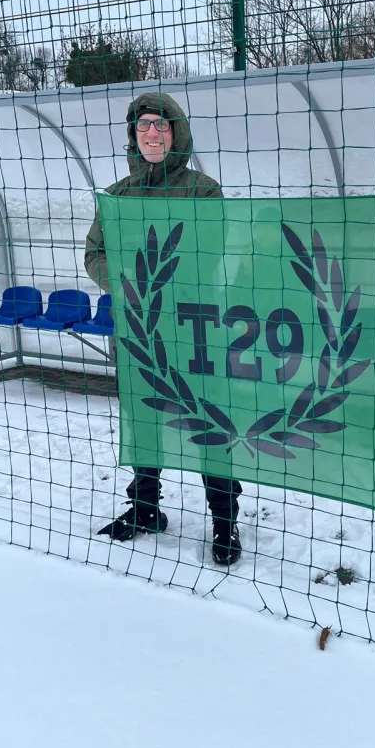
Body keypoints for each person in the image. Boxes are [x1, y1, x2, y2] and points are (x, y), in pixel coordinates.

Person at [84, 93, 242, 565]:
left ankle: (225, 520)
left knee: (208, 423)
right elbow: (95, 255)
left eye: (160, 124)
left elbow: (207, 252)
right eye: (142, 125)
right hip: (137, 331)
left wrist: (151, 279)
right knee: (143, 421)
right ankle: (146, 508)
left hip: (194, 329)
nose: (151, 133)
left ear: (177, 132)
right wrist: (128, 284)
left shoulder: (203, 190)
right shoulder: (115, 196)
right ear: (133, 135)